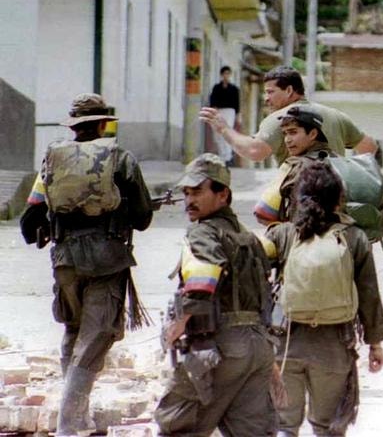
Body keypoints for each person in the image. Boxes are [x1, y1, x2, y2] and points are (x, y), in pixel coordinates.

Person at [19, 93, 153, 437]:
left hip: (65, 261)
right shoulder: (121, 158)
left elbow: (30, 220)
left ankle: (77, 418)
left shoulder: (53, 161)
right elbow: (143, 217)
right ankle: (68, 424)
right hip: (106, 260)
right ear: (103, 124)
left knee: (73, 331)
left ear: (73, 127)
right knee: (95, 338)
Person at [154, 153, 282, 436]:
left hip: (219, 350)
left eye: (197, 192)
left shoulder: (203, 233)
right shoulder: (250, 237)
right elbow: (265, 298)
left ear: (223, 194)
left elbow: (202, 283)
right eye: (187, 193)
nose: (189, 200)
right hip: (257, 350)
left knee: (177, 426)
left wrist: (177, 327)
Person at [262, 161, 383, 436]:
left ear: (298, 199)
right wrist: (375, 344)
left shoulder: (282, 234)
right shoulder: (355, 237)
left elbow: (256, 278)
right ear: (340, 200)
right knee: (328, 427)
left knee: (284, 425)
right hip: (334, 346)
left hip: (286, 343)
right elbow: (369, 294)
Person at [199, 65, 376, 166]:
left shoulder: (281, 117)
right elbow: (369, 146)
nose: (266, 98)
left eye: (270, 92)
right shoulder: (335, 115)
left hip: (302, 204)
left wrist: (224, 129)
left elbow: (255, 151)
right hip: (337, 201)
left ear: (289, 90)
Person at [254, 106, 330, 225]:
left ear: (313, 134)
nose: (287, 140)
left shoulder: (295, 165)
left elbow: (263, 212)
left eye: (293, 132)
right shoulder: (336, 160)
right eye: (285, 134)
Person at [209, 66, 241, 167]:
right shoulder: (216, 88)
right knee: (218, 134)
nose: (226, 76)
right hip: (219, 111)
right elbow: (213, 101)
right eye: (224, 74)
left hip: (230, 112)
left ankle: (227, 157)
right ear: (221, 75)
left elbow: (237, 104)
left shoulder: (234, 89)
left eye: (228, 74)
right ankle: (222, 156)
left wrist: (238, 115)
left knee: (227, 132)